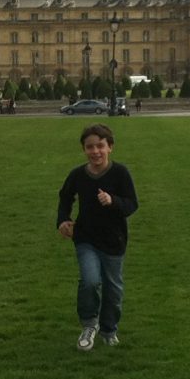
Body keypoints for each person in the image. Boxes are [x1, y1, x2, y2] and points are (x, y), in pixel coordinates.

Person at [56, 124, 139, 351]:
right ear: (84, 149)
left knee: (113, 289)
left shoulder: (120, 173)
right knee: (90, 281)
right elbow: (65, 197)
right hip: (86, 239)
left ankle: (109, 329)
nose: (95, 151)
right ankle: (89, 324)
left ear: (110, 147)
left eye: (100, 146)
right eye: (89, 147)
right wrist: (63, 220)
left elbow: (132, 204)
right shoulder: (78, 175)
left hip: (114, 241)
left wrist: (113, 201)